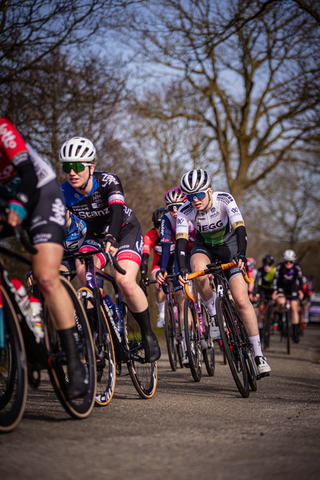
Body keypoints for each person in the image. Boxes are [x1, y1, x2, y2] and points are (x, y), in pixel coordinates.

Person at [0, 117, 87, 399]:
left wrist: (18, 206)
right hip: (5, 201)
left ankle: (75, 362)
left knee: (46, 277)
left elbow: (26, 173)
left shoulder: (2, 128)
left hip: (40, 195)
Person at [59, 136, 160, 362]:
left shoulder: (107, 181)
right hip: (94, 235)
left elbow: (116, 210)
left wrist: (112, 238)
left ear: (91, 168)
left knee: (124, 281)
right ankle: (97, 331)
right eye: (66, 167)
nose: (71, 172)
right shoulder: (64, 192)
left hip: (124, 229)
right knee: (83, 272)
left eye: (77, 166)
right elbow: (57, 227)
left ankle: (148, 334)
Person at [175, 168, 271, 376]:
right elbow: (181, 242)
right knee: (196, 270)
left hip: (230, 247)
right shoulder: (185, 210)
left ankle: (258, 354)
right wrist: (181, 268)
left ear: (209, 191)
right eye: (190, 196)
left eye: (199, 195)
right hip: (205, 247)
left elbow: (240, 229)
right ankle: (213, 313)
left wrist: (242, 255)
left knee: (241, 299)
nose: (195, 200)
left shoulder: (224, 199)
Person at [156, 188, 196, 365]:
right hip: (180, 256)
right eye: (170, 207)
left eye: (177, 206)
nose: (174, 210)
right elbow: (165, 245)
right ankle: (188, 348)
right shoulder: (166, 219)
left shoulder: (193, 211)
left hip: (198, 251)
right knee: (181, 299)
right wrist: (163, 268)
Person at [139, 207, 174, 328]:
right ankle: (162, 313)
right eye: (157, 225)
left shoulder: (174, 232)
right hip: (159, 264)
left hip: (175, 262)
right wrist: (143, 275)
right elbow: (145, 256)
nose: (160, 228)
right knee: (156, 280)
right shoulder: (149, 236)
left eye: (162, 224)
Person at [272, 249, 304, 343]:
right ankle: (280, 319)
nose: (288, 263)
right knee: (281, 302)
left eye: (291, 262)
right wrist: (275, 290)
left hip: (292, 287)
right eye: (286, 261)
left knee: (294, 308)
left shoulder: (297, 267)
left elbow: (301, 279)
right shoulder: (279, 267)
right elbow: (275, 279)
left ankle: (295, 333)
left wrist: (301, 291)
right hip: (282, 287)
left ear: (293, 261)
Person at [253, 254, 276, 336]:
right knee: (261, 309)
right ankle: (261, 327)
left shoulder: (275, 271)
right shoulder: (260, 271)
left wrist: (276, 293)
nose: (267, 266)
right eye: (265, 264)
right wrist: (255, 294)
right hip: (263, 290)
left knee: (273, 306)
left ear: (272, 265)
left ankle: (272, 320)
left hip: (273, 290)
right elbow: (256, 284)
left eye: (269, 264)